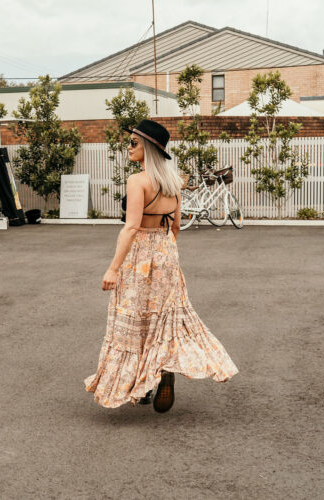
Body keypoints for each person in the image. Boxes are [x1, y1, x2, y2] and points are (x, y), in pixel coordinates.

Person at [84, 119, 238, 413]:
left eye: (133, 143)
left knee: (135, 321)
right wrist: (164, 252)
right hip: (167, 254)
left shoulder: (137, 181)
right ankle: (157, 374)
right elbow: (176, 226)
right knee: (164, 320)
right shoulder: (173, 181)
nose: (128, 147)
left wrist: (114, 268)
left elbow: (130, 229)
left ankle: (137, 384)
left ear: (149, 149)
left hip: (139, 257)